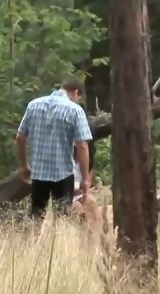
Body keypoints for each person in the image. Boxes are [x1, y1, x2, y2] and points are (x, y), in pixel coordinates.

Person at [15, 77, 93, 219]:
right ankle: (59, 241)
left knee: (36, 217)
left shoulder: (33, 105)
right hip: (63, 174)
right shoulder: (75, 110)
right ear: (76, 92)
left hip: (38, 173)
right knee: (62, 219)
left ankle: (34, 241)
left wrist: (25, 165)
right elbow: (82, 145)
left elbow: (20, 137)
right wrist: (85, 178)